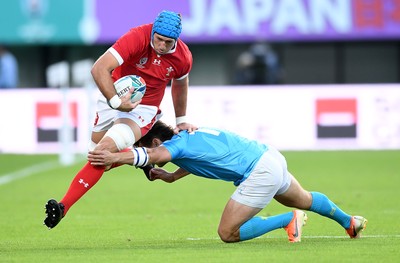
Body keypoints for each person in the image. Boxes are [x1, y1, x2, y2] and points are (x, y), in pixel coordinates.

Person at [88, 121, 368, 243]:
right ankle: (350, 222)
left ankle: (287, 220)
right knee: (305, 198)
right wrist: (172, 176)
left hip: (260, 171)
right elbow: (202, 160)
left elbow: (153, 154)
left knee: (228, 233)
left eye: (146, 147)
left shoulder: (175, 144)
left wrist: (113, 155)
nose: (152, 161)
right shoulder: (189, 138)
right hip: (270, 157)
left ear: (157, 140)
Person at [43, 11, 197, 229]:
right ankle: (141, 158)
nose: (161, 45)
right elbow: (99, 68)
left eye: (167, 42)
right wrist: (116, 101)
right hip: (113, 96)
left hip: (144, 108)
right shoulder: (137, 36)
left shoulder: (183, 57)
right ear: (153, 31)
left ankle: (62, 207)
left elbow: (180, 85)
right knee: (98, 158)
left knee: (100, 154)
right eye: (158, 39)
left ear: (176, 40)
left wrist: (181, 120)